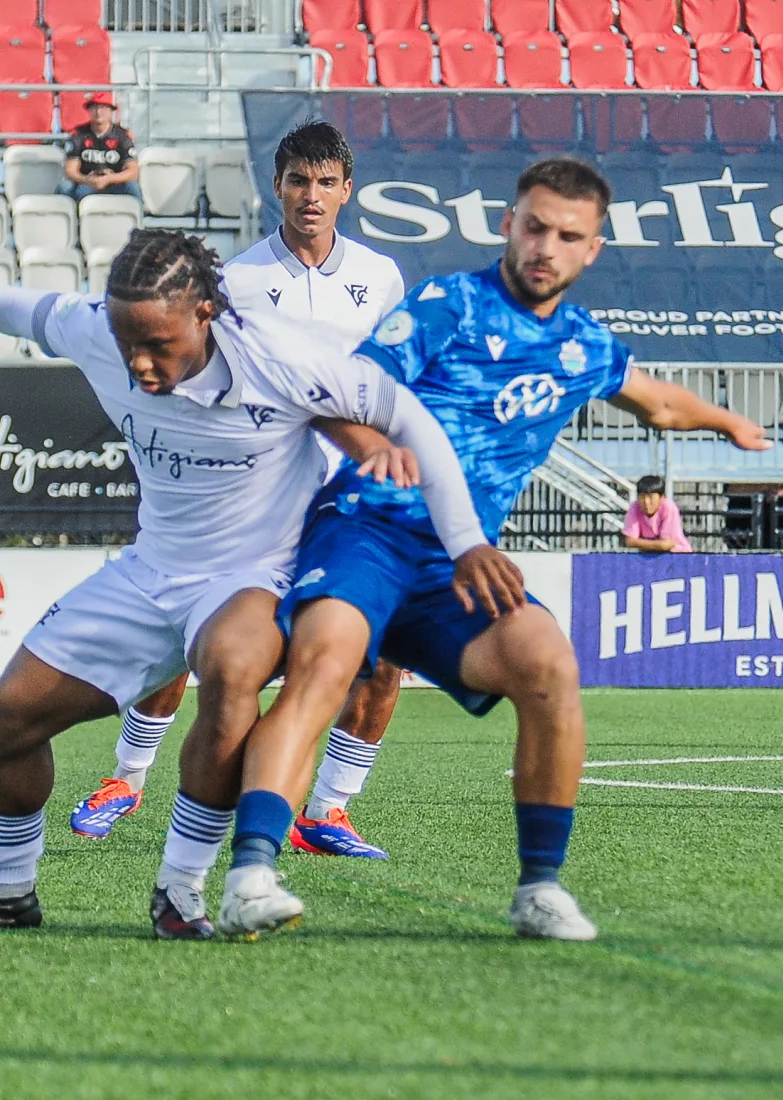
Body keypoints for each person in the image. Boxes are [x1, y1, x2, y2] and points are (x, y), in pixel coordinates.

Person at [215, 157, 770, 943]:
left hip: (458, 565)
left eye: (568, 236)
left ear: (592, 250)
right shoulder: (448, 305)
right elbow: (341, 390)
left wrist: (729, 423)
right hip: (368, 531)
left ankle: (539, 888)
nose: (547, 246)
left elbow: (661, 404)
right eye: (535, 227)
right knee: (325, 663)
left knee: (549, 664)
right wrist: (377, 448)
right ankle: (250, 875)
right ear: (509, 225)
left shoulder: (583, 345)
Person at [0, 228, 522, 937]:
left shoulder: (282, 355)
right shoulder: (90, 326)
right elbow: (15, 306)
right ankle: (12, 888)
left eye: (157, 344)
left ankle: (180, 889)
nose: (139, 362)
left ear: (205, 315)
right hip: (148, 571)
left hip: (253, 573)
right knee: (10, 719)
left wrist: (466, 542)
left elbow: (408, 417)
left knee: (236, 665)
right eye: (127, 343)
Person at [70, 120, 406, 860]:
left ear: (347, 191)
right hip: (254, 490)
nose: (311, 195)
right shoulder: (234, 281)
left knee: (385, 651)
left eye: (325, 182)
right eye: (298, 180)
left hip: (348, 494)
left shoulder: (381, 276)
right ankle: (125, 778)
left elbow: (390, 377)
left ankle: (329, 810)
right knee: (184, 640)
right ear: (276, 187)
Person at [58, 94, 142, 203]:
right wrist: (87, 180)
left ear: (111, 111)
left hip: (116, 181)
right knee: (66, 187)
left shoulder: (122, 135)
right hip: (87, 181)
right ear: (89, 111)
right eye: (94, 108)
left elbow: (133, 172)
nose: (98, 112)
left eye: (103, 108)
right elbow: (70, 170)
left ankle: (138, 213)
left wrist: (109, 178)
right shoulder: (79, 134)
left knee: (133, 187)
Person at [621, 474, 693, 553]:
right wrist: (659, 545)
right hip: (647, 555)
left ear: (661, 497)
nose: (646, 502)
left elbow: (667, 545)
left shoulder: (668, 507)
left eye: (650, 497)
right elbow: (630, 541)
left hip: (678, 554)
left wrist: (640, 543)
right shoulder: (635, 507)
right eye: (642, 497)